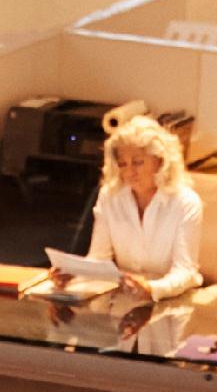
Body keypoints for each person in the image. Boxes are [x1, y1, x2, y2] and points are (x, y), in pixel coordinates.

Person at [84, 114, 206, 297]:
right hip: (123, 301)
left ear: (160, 161)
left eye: (138, 162)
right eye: (123, 164)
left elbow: (185, 271)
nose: (129, 172)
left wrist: (152, 289)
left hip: (172, 302)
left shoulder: (186, 202)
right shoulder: (110, 196)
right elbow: (98, 259)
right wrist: (74, 274)